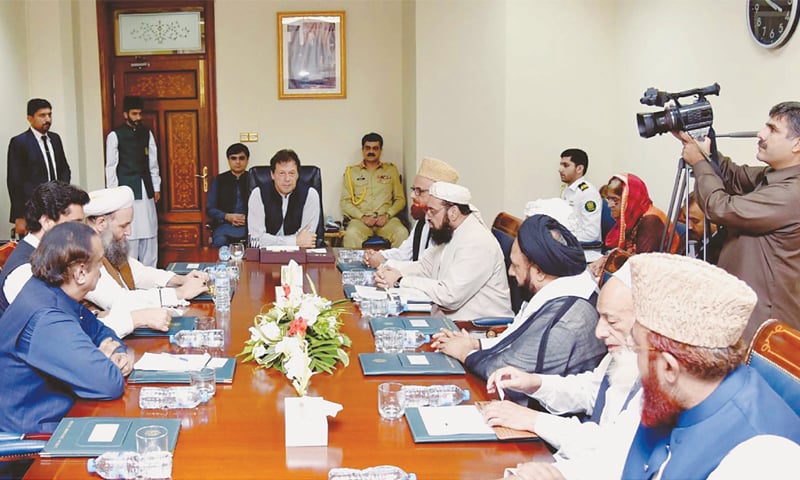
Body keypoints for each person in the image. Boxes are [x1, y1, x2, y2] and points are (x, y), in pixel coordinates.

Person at [621, 253, 800, 479]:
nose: (636, 359)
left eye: (637, 347)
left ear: (669, 368)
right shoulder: (673, 395)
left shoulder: (761, 460)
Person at [482, 265, 641, 480]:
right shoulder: (625, 352)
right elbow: (592, 391)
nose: (599, 332)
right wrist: (534, 383)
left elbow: (611, 450)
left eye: (611, 321)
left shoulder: (661, 381)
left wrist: (533, 420)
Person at [426, 214, 606, 390]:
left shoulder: (567, 319)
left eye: (516, 265)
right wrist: (475, 344)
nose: (511, 272)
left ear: (539, 272)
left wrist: (465, 353)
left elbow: (510, 373)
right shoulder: (555, 290)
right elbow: (520, 339)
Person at [674, 101, 800, 339]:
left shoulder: (791, 193)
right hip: (743, 307)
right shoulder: (775, 176)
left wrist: (700, 162)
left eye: (772, 130)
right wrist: (700, 144)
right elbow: (733, 175)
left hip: (763, 322)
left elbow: (720, 208)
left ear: (797, 144)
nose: (760, 134)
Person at [0, 222, 128, 434]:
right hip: (35, 439)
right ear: (80, 273)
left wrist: (113, 354)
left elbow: (102, 332)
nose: (103, 272)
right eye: (99, 263)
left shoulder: (53, 292)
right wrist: (102, 360)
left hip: (65, 414)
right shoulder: (47, 318)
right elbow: (109, 383)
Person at [374, 182, 513, 321]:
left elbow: (449, 296)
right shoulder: (452, 231)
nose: (427, 217)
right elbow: (426, 266)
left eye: (432, 211)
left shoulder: (476, 241)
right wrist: (388, 270)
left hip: (474, 331)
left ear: (453, 212)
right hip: (448, 322)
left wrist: (400, 280)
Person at [82, 187, 207, 337]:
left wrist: (181, 280)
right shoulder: (83, 254)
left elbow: (139, 272)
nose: (129, 232)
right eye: (123, 226)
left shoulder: (107, 242)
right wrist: (179, 293)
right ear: (101, 223)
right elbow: (119, 301)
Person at [0, 181, 88, 314]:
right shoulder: (24, 272)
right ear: (47, 222)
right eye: (74, 225)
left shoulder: (52, 256)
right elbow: (54, 325)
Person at [363, 157, 460, 269]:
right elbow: (405, 254)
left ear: (438, 195)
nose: (412, 195)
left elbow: (427, 270)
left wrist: (383, 263)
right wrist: (379, 255)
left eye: (419, 191)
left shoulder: (450, 228)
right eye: (413, 189)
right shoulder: (423, 222)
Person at [105, 95, 160, 267]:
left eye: (140, 114)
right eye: (134, 114)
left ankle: (151, 272)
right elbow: (111, 166)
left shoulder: (146, 134)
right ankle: (131, 275)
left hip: (146, 189)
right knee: (131, 232)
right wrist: (114, 194)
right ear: (125, 114)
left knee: (150, 232)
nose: (138, 118)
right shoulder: (115, 135)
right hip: (125, 191)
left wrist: (156, 187)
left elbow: (153, 163)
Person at [589, 173, 676, 276]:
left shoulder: (651, 222)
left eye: (615, 200)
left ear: (630, 199)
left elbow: (640, 267)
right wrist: (604, 260)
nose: (609, 205)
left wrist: (605, 266)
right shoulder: (631, 216)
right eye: (609, 199)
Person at [7, 98, 71, 236]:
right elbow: (14, 181)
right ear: (30, 118)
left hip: (57, 206)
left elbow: (64, 169)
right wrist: (19, 216)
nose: (47, 119)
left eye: (49, 114)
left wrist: (63, 195)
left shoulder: (55, 139)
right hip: (32, 209)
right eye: (42, 115)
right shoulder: (19, 142)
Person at [340, 132, 408, 248]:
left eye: (375, 148)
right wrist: (362, 217)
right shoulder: (351, 172)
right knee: (351, 234)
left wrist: (387, 215)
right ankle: (353, 267)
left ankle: (394, 266)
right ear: (363, 149)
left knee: (402, 233)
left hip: (386, 220)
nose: (371, 151)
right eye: (368, 148)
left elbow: (400, 199)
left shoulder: (391, 170)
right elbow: (345, 202)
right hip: (361, 220)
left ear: (380, 150)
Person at [247, 148, 320, 248]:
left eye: (291, 173)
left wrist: (270, 240)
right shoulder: (258, 194)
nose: (287, 179)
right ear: (272, 175)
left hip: (299, 254)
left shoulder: (310, 195)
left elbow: (306, 240)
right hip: (266, 255)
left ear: (298, 175)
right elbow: (256, 240)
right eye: (281, 173)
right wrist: (294, 241)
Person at [553, 148, 602, 261]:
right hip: (570, 248)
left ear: (579, 168)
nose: (560, 170)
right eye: (560, 165)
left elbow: (591, 234)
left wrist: (561, 237)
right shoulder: (568, 190)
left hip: (585, 253)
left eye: (565, 165)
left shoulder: (587, 193)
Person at [207, 143, 251, 247]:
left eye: (241, 158)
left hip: (249, 226)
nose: (238, 162)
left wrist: (248, 218)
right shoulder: (219, 180)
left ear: (247, 160)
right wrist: (227, 216)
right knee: (220, 242)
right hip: (225, 224)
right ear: (228, 160)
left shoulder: (254, 179)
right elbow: (210, 209)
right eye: (233, 158)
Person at [676, 191, 720, 263]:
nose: (689, 226)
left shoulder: (722, 249)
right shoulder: (687, 237)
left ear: (712, 221)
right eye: (686, 219)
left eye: (695, 221)